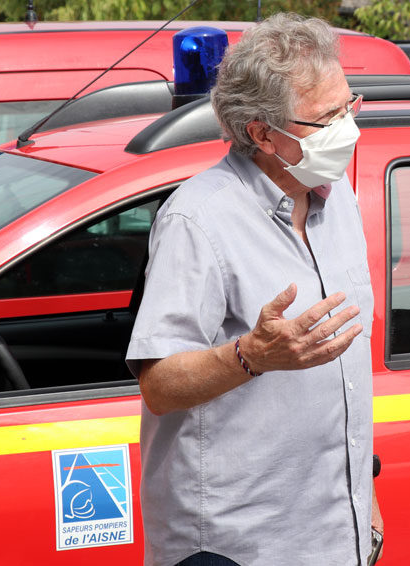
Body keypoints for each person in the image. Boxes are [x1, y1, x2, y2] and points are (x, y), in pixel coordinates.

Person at [127, 13, 382, 566]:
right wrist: (253, 355)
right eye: (326, 118)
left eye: (349, 106)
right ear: (263, 133)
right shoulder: (198, 220)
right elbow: (159, 385)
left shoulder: (338, 203)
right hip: (238, 548)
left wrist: (367, 506)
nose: (349, 129)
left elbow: (344, 383)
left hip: (335, 538)